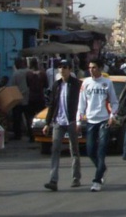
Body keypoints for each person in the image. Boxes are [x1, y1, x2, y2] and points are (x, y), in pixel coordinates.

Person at [76, 59, 118, 192]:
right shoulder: (86, 83)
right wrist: (78, 120)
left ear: (100, 68)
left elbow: (114, 102)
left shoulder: (107, 83)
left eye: (94, 67)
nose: (91, 70)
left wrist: (112, 116)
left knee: (101, 150)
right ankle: (102, 168)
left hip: (104, 120)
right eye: (90, 67)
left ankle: (97, 180)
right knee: (89, 150)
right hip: (90, 120)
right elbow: (81, 103)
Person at [43, 60, 82, 192]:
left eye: (64, 67)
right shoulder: (57, 85)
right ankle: (53, 180)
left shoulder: (77, 84)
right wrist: (47, 123)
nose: (62, 69)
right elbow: (52, 105)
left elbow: (82, 103)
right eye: (59, 67)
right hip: (58, 122)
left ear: (70, 69)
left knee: (74, 149)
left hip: (72, 121)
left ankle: (76, 177)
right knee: (55, 149)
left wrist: (79, 120)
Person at [27, 58, 48, 142]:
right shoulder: (43, 74)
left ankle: (31, 136)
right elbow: (46, 85)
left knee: (30, 117)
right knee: (41, 118)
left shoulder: (28, 74)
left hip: (31, 97)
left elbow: (28, 84)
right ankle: (42, 133)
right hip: (40, 97)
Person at [11, 57, 31, 141]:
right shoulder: (29, 72)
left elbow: (13, 86)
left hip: (18, 99)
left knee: (17, 119)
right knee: (29, 118)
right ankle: (31, 134)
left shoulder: (15, 74)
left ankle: (18, 135)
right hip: (28, 98)